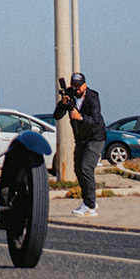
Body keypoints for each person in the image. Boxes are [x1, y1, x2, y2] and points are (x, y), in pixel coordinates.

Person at [55, 71, 105, 216]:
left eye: (79, 86)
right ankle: (89, 201)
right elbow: (57, 115)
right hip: (81, 139)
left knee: (86, 168)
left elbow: (96, 121)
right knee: (78, 169)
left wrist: (80, 117)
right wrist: (63, 105)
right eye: (74, 85)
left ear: (85, 86)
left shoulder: (92, 98)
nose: (77, 89)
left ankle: (90, 206)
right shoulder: (69, 95)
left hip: (96, 137)